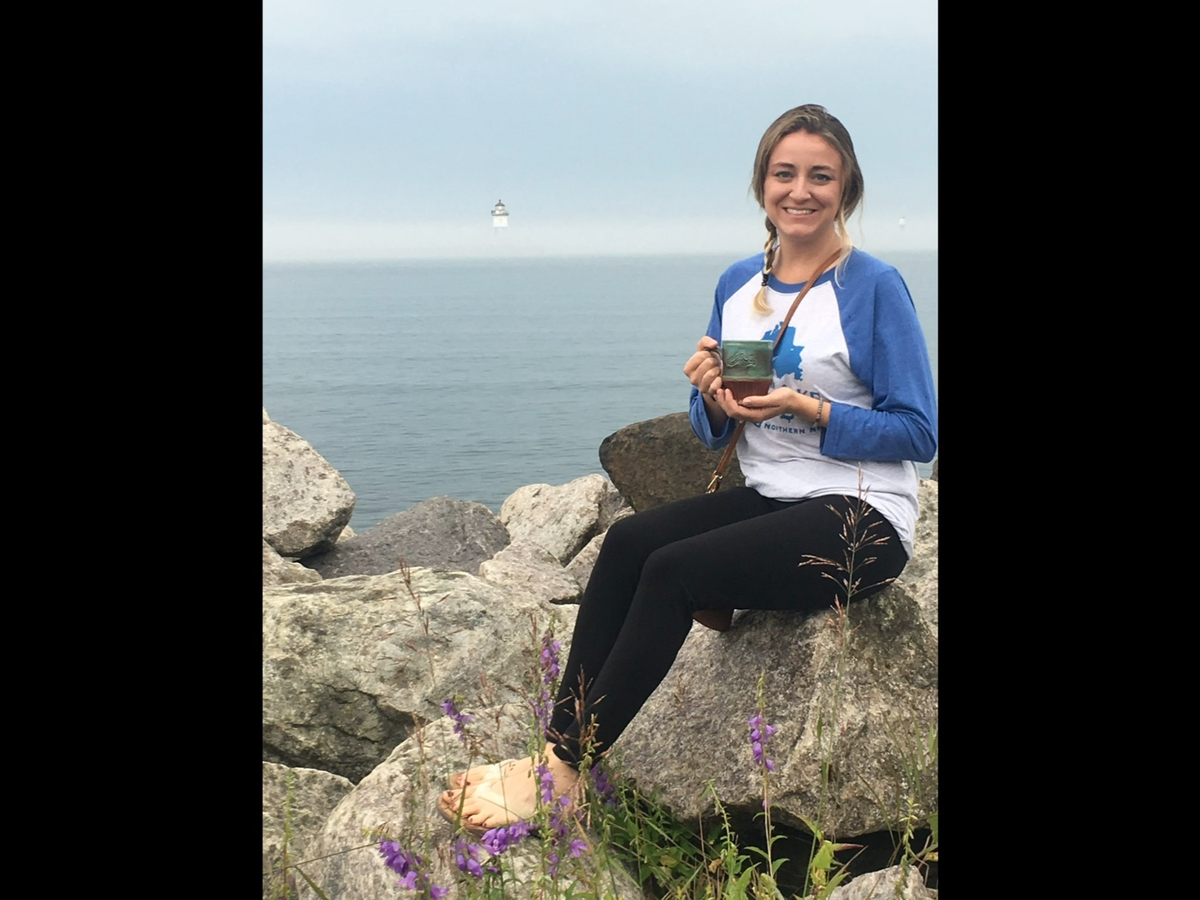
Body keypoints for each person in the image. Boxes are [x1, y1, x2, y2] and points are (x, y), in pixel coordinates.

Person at [438, 103, 937, 834]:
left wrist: (811, 407)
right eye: (784, 173)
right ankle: (553, 747)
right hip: (775, 497)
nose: (800, 191)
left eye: (820, 177)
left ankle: (566, 774)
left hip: (863, 516)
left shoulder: (872, 287)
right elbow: (714, 427)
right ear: (762, 184)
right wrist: (709, 396)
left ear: (847, 189)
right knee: (627, 543)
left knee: (675, 571)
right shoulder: (740, 283)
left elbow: (919, 431)